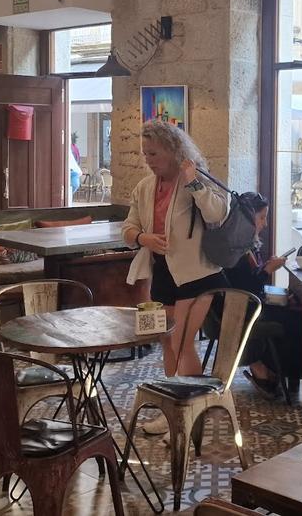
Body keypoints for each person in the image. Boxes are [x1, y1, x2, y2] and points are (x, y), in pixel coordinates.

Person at [122, 120, 229, 435]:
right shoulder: (145, 187)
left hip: (197, 274)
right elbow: (128, 228)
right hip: (163, 273)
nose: (148, 160)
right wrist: (143, 238)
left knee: (182, 343)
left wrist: (193, 181)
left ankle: (190, 413)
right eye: (145, 154)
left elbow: (217, 214)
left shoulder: (194, 178)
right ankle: (173, 408)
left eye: (154, 154)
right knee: (167, 342)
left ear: (173, 151)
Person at [223, 192, 302, 398]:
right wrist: (268, 270)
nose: (265, 223)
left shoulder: (249, 244)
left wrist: (266, 271)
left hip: (254, 302)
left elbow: (252, 280)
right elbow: (245, 287)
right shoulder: (234, 248)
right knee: (295, 320)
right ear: (246, 218)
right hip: (241, 309)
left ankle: (285, 371)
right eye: (262, 217)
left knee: (298, 308)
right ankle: (272, 368)